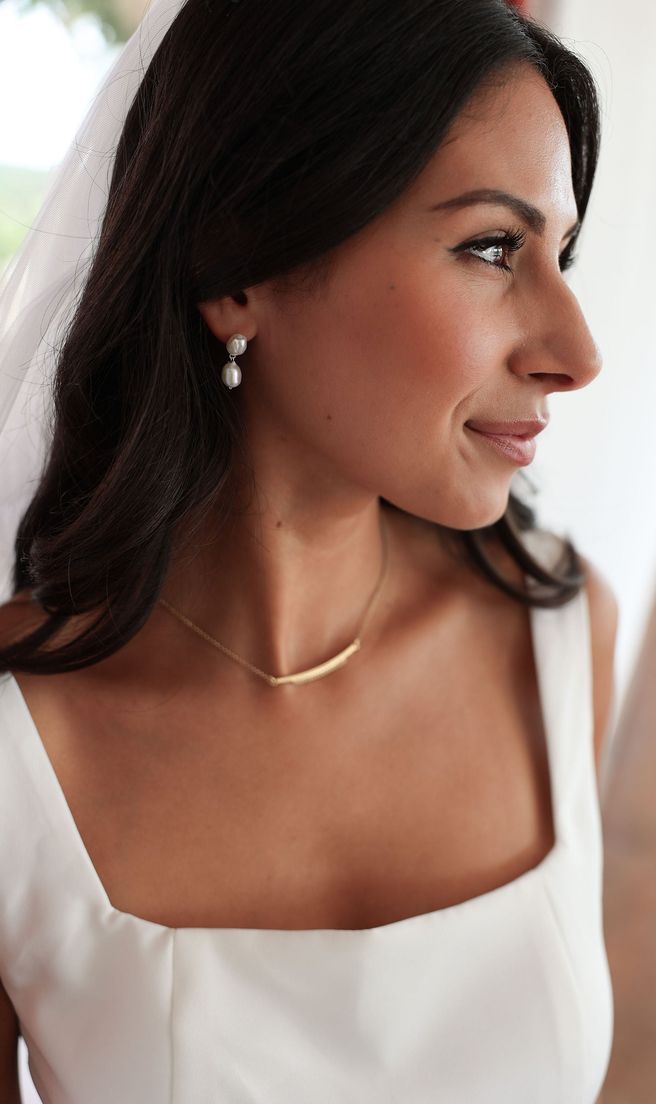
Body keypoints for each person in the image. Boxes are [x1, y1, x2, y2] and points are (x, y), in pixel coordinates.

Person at [0, 0, 619, 1099]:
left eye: (561, 253)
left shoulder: (561, 640)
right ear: (238, 271)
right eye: (491, 247)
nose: (576, 350)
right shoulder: (21, 748)